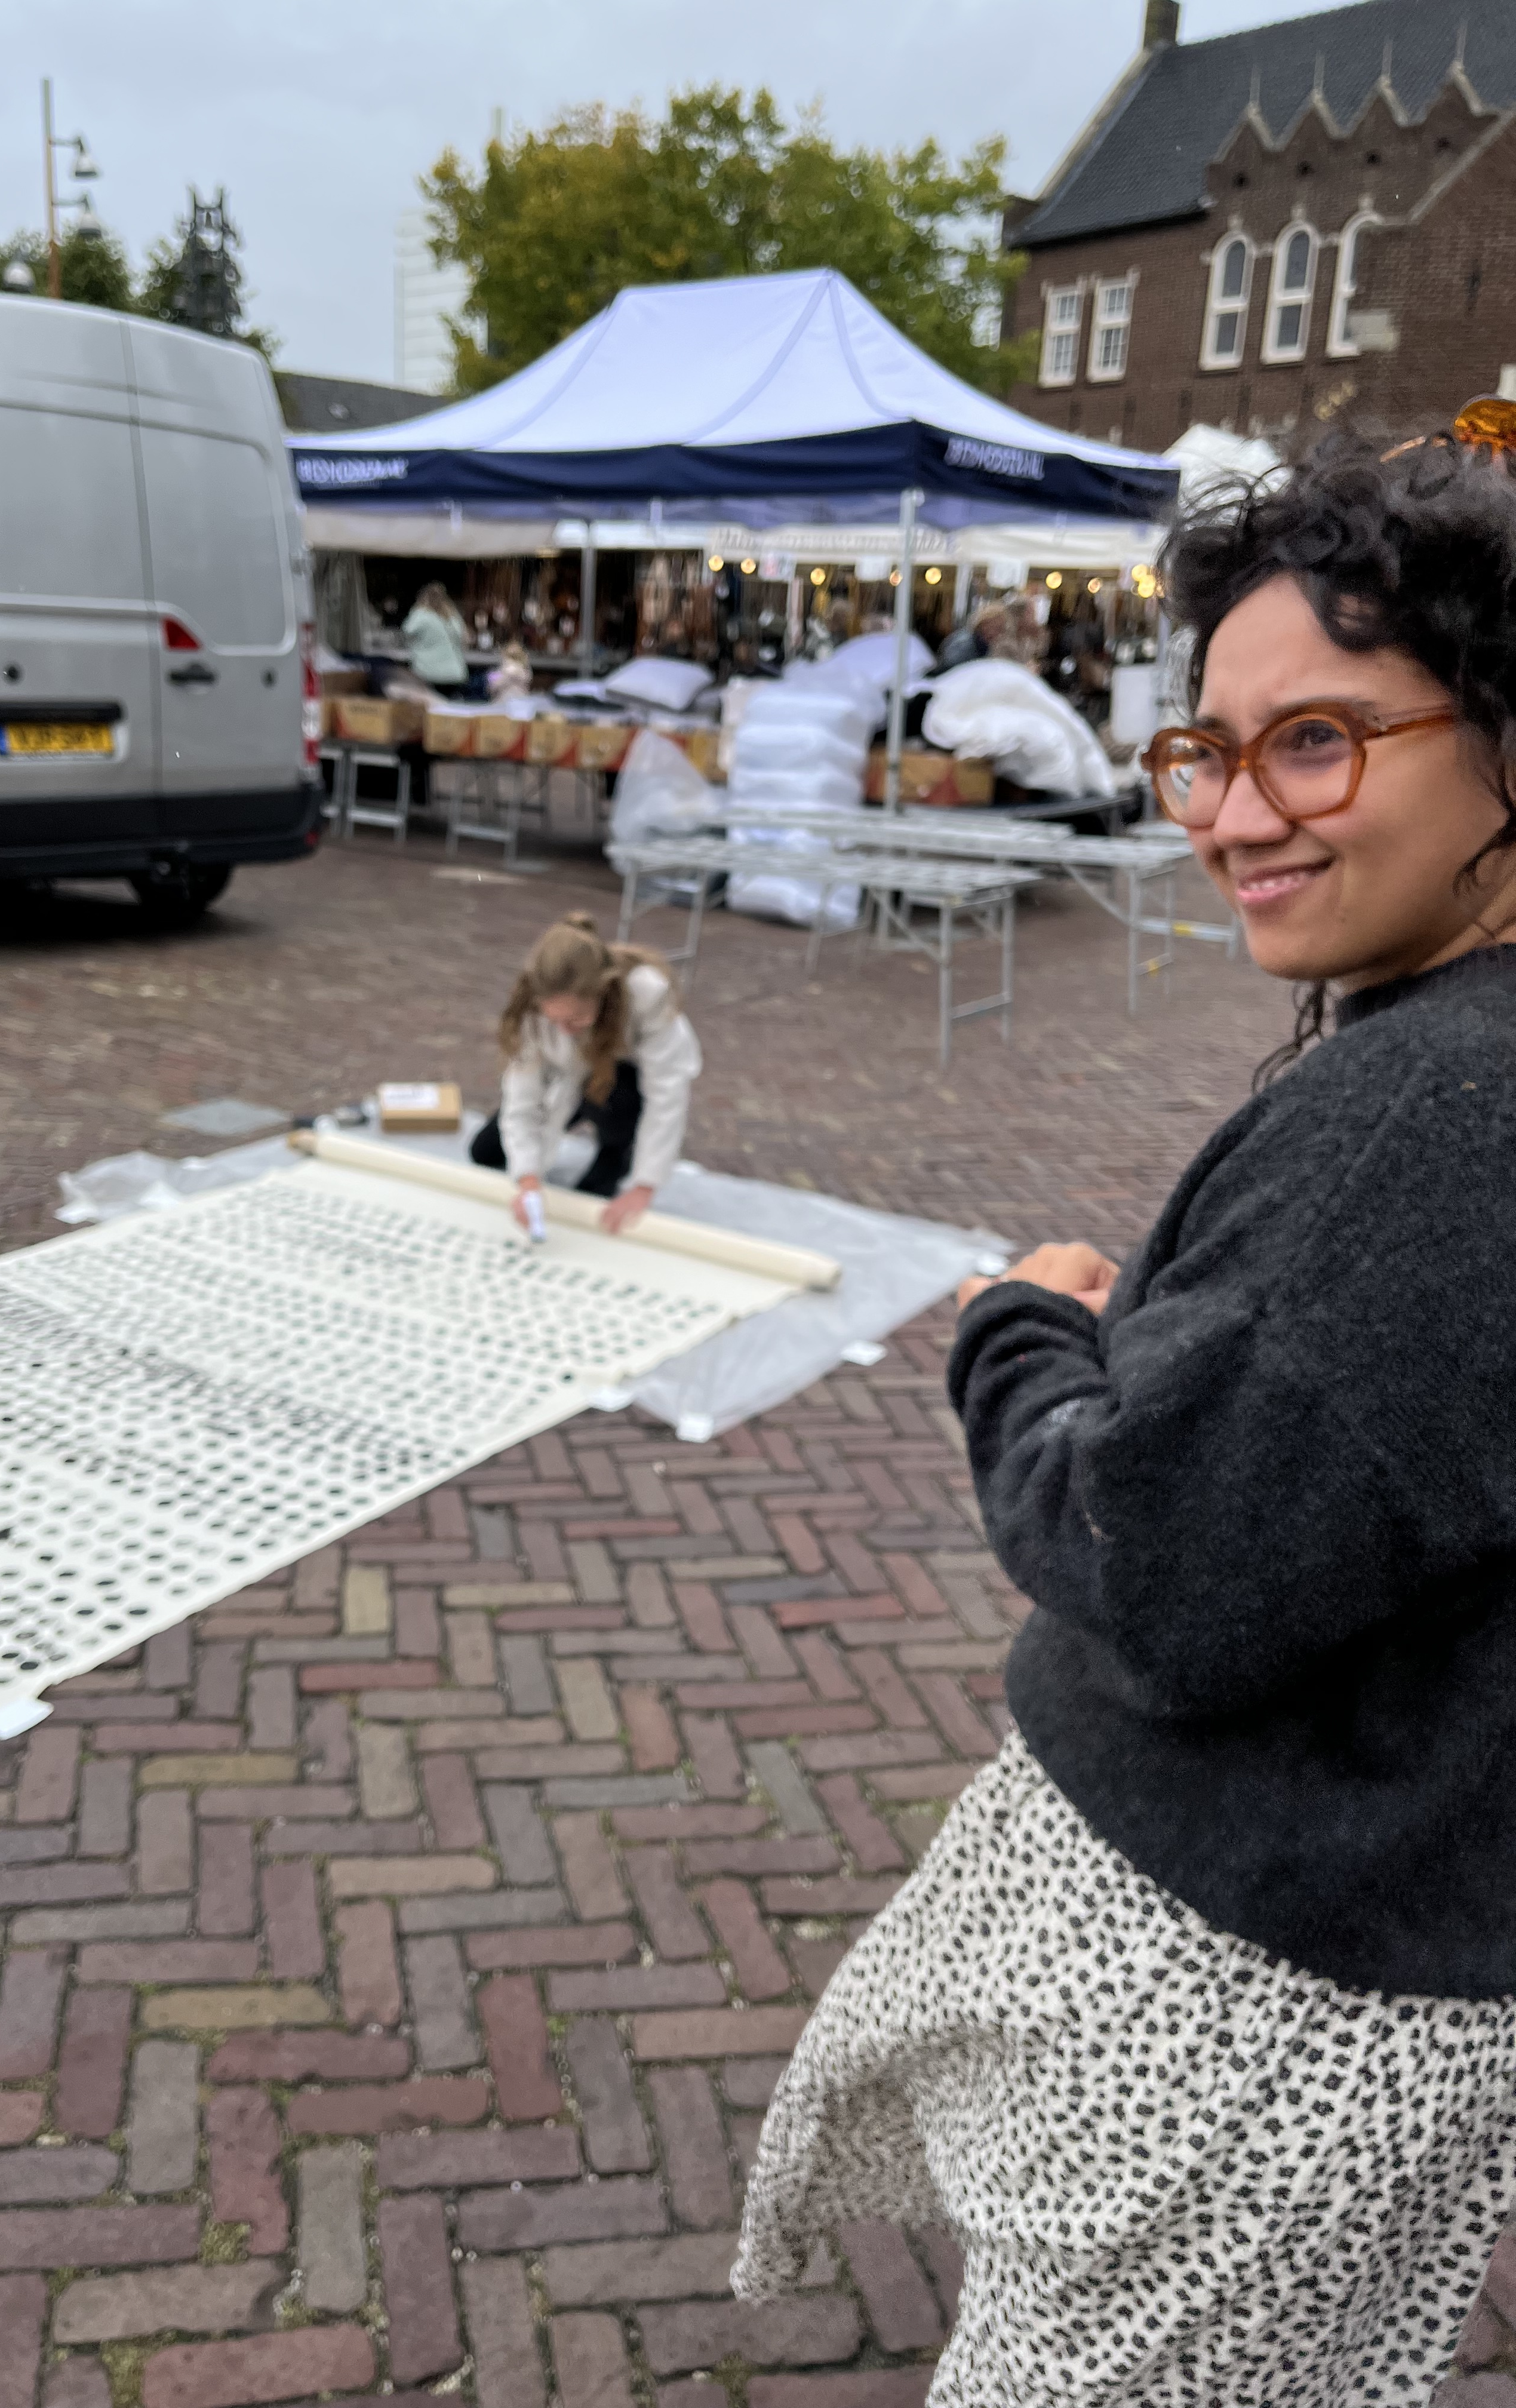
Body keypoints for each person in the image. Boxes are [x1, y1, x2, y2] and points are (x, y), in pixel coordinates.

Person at [734, 409, 1516, 2403]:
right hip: (1389, 1959)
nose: (1231, 816)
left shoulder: (1437, 1110)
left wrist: (1019, 1334)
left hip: (1253, 2014)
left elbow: (1158, 1566)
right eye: (1204, 752)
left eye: (1316, 740)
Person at [471, 912, 700, 1237]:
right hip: (565, 1082)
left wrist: (644, 1186)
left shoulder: (646, 993)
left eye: (576, 1019)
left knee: (595, 1190)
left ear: (602, 992)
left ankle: (615, 1153)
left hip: (617, 1082)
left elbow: (667, 1092)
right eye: (556, 1021)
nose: (565, 1030)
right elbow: (522, 1099)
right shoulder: (531, 1007)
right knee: (486, 1153)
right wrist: (528, 1180)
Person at [402, 581, 469, 695]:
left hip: (429, 673)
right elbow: (465, 637)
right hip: (455, 674)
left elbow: (407, 631)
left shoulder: (421, 614)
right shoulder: (453, 616)